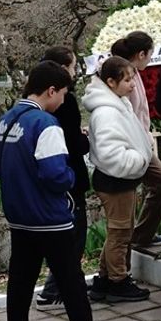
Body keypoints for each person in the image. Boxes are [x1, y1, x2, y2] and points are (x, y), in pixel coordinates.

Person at [0, 62, 108, 321]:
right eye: (64, 93)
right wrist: (72, 177)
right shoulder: (45, 124)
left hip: (19, 215)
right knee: (71, 279)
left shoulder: (5, 121)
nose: (64, 100)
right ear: (51, 90)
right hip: (50, 217)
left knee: (20, 281)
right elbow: (56, 174)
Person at [84, 57, 154, 302]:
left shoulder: (118, 104)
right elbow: (110, 153)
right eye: (127, 79)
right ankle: (118, 281)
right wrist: (138, 161)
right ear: (111, 82)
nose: (133, 84)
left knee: (120, 231)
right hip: (116, 181)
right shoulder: (106, 113)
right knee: (120, 233)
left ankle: (105, 278)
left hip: (122, 180)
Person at [33, 46, 94, 307]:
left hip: (51, 182)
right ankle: (57, 289)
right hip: (68, 174)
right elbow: (69, 140)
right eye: (72, 66)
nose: (74, 72)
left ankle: (58, 286)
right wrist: (83, 141)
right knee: (74, 235)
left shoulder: (33, 109)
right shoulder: (63, 102)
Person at [111, 33, 161, 253]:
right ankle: (138, 238)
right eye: (150, 54)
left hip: (141, 142)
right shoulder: (126, 76)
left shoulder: (134, 74)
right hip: (131, 144)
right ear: (141, 54)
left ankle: (142, 234)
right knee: (159, 181)